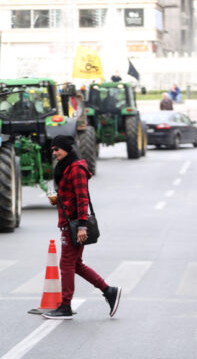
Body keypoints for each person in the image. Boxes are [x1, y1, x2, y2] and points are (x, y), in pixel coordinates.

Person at [43, 134, 121, 320]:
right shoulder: (64, 166)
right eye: (52, 150)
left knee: (67, 264)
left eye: (57, 149)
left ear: (67, 149)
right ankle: (109, 291)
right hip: (68, 221)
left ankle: (66, 306)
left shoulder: (76, 168)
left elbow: (82, 198)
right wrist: (58, 200)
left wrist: (82, 227)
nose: (54, 153)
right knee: (75, 264)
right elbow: (70, 195)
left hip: (75, 223)